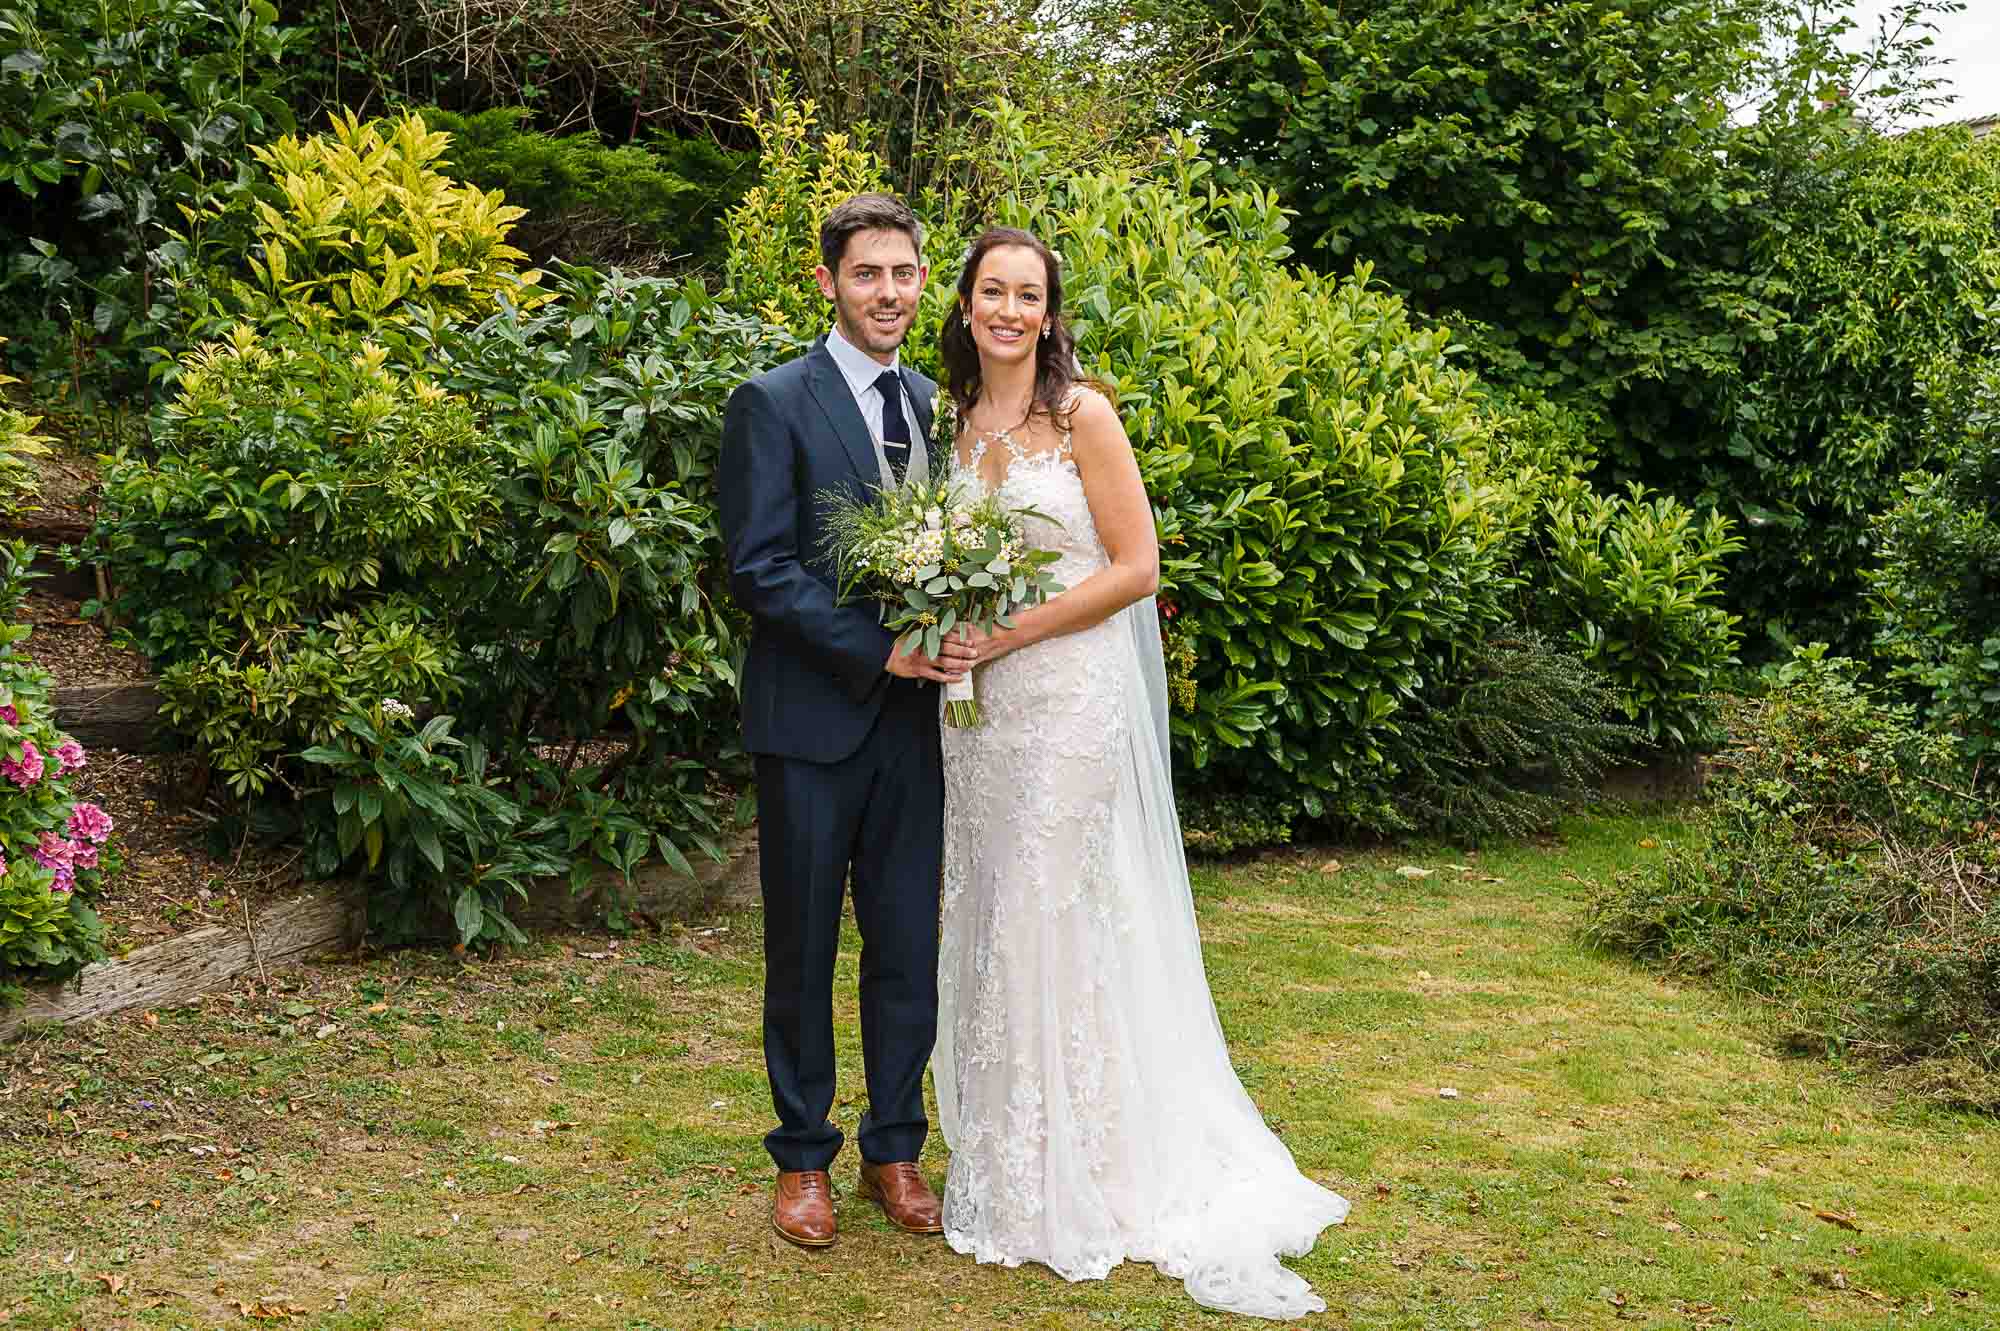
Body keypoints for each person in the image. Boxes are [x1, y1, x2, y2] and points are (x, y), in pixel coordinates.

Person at [932, 226, 1351, 1319]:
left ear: (1049, 309)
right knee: (987, 907)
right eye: (992, 290)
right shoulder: (949, 418)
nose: (1009, 310)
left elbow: (1136, 566)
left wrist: (1010, 630)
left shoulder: (1082, 414)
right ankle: (1005, 1151)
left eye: (1028, 293)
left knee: (1049, 908)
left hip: (1065, 696)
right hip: (975, 712)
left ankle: (1085, 1170)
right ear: (966, 303)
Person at [717, 193, 975, 1249]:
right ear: (826, 281)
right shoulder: (771, 401)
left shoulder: (932, 404)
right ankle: (801, 1158)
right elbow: (758, 566)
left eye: (905, 274)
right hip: (811, 725)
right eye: (868, 273)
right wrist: (879, 648)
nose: (889, 293)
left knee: (908, 943)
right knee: (804, 945)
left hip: (917, 731)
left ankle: (894, 1147)